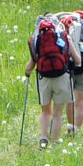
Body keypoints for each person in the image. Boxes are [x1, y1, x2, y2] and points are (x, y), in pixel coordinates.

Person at [28, 10, 77, 146]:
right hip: (61, 75)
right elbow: (76, 59)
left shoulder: (36, 38)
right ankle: (55, 140)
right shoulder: (63, 36)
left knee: (45, 111)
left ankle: (43, 137)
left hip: (44, 78)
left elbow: (32, 62)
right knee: (57, 111)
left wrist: (27, 72)